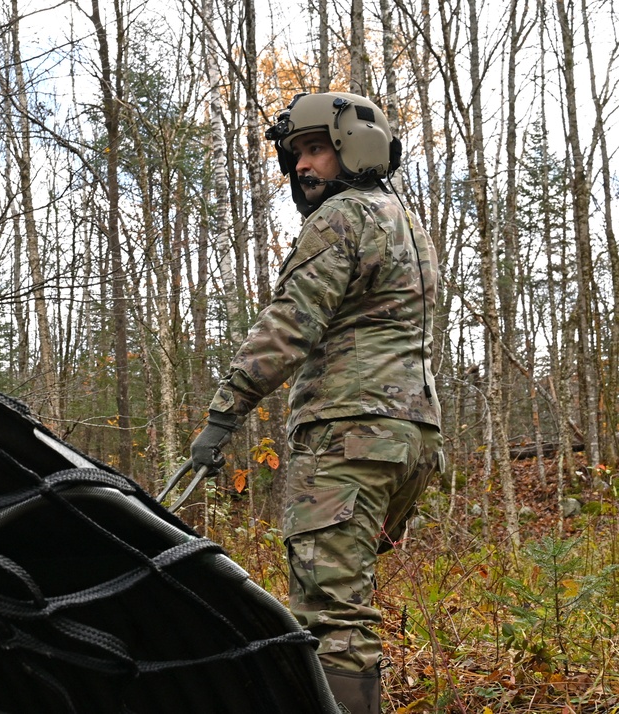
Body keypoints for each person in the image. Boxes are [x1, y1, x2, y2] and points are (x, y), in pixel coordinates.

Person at [190, 91, 444, 714]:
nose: (303, 165)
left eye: (317, 149)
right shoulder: (407, 222)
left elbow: (288, 326)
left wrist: (223, 416)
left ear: (355, 148)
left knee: (330, 611)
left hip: (347, 438)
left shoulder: (341, 219)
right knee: (347, 596)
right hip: (409, 439)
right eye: (296, 153)